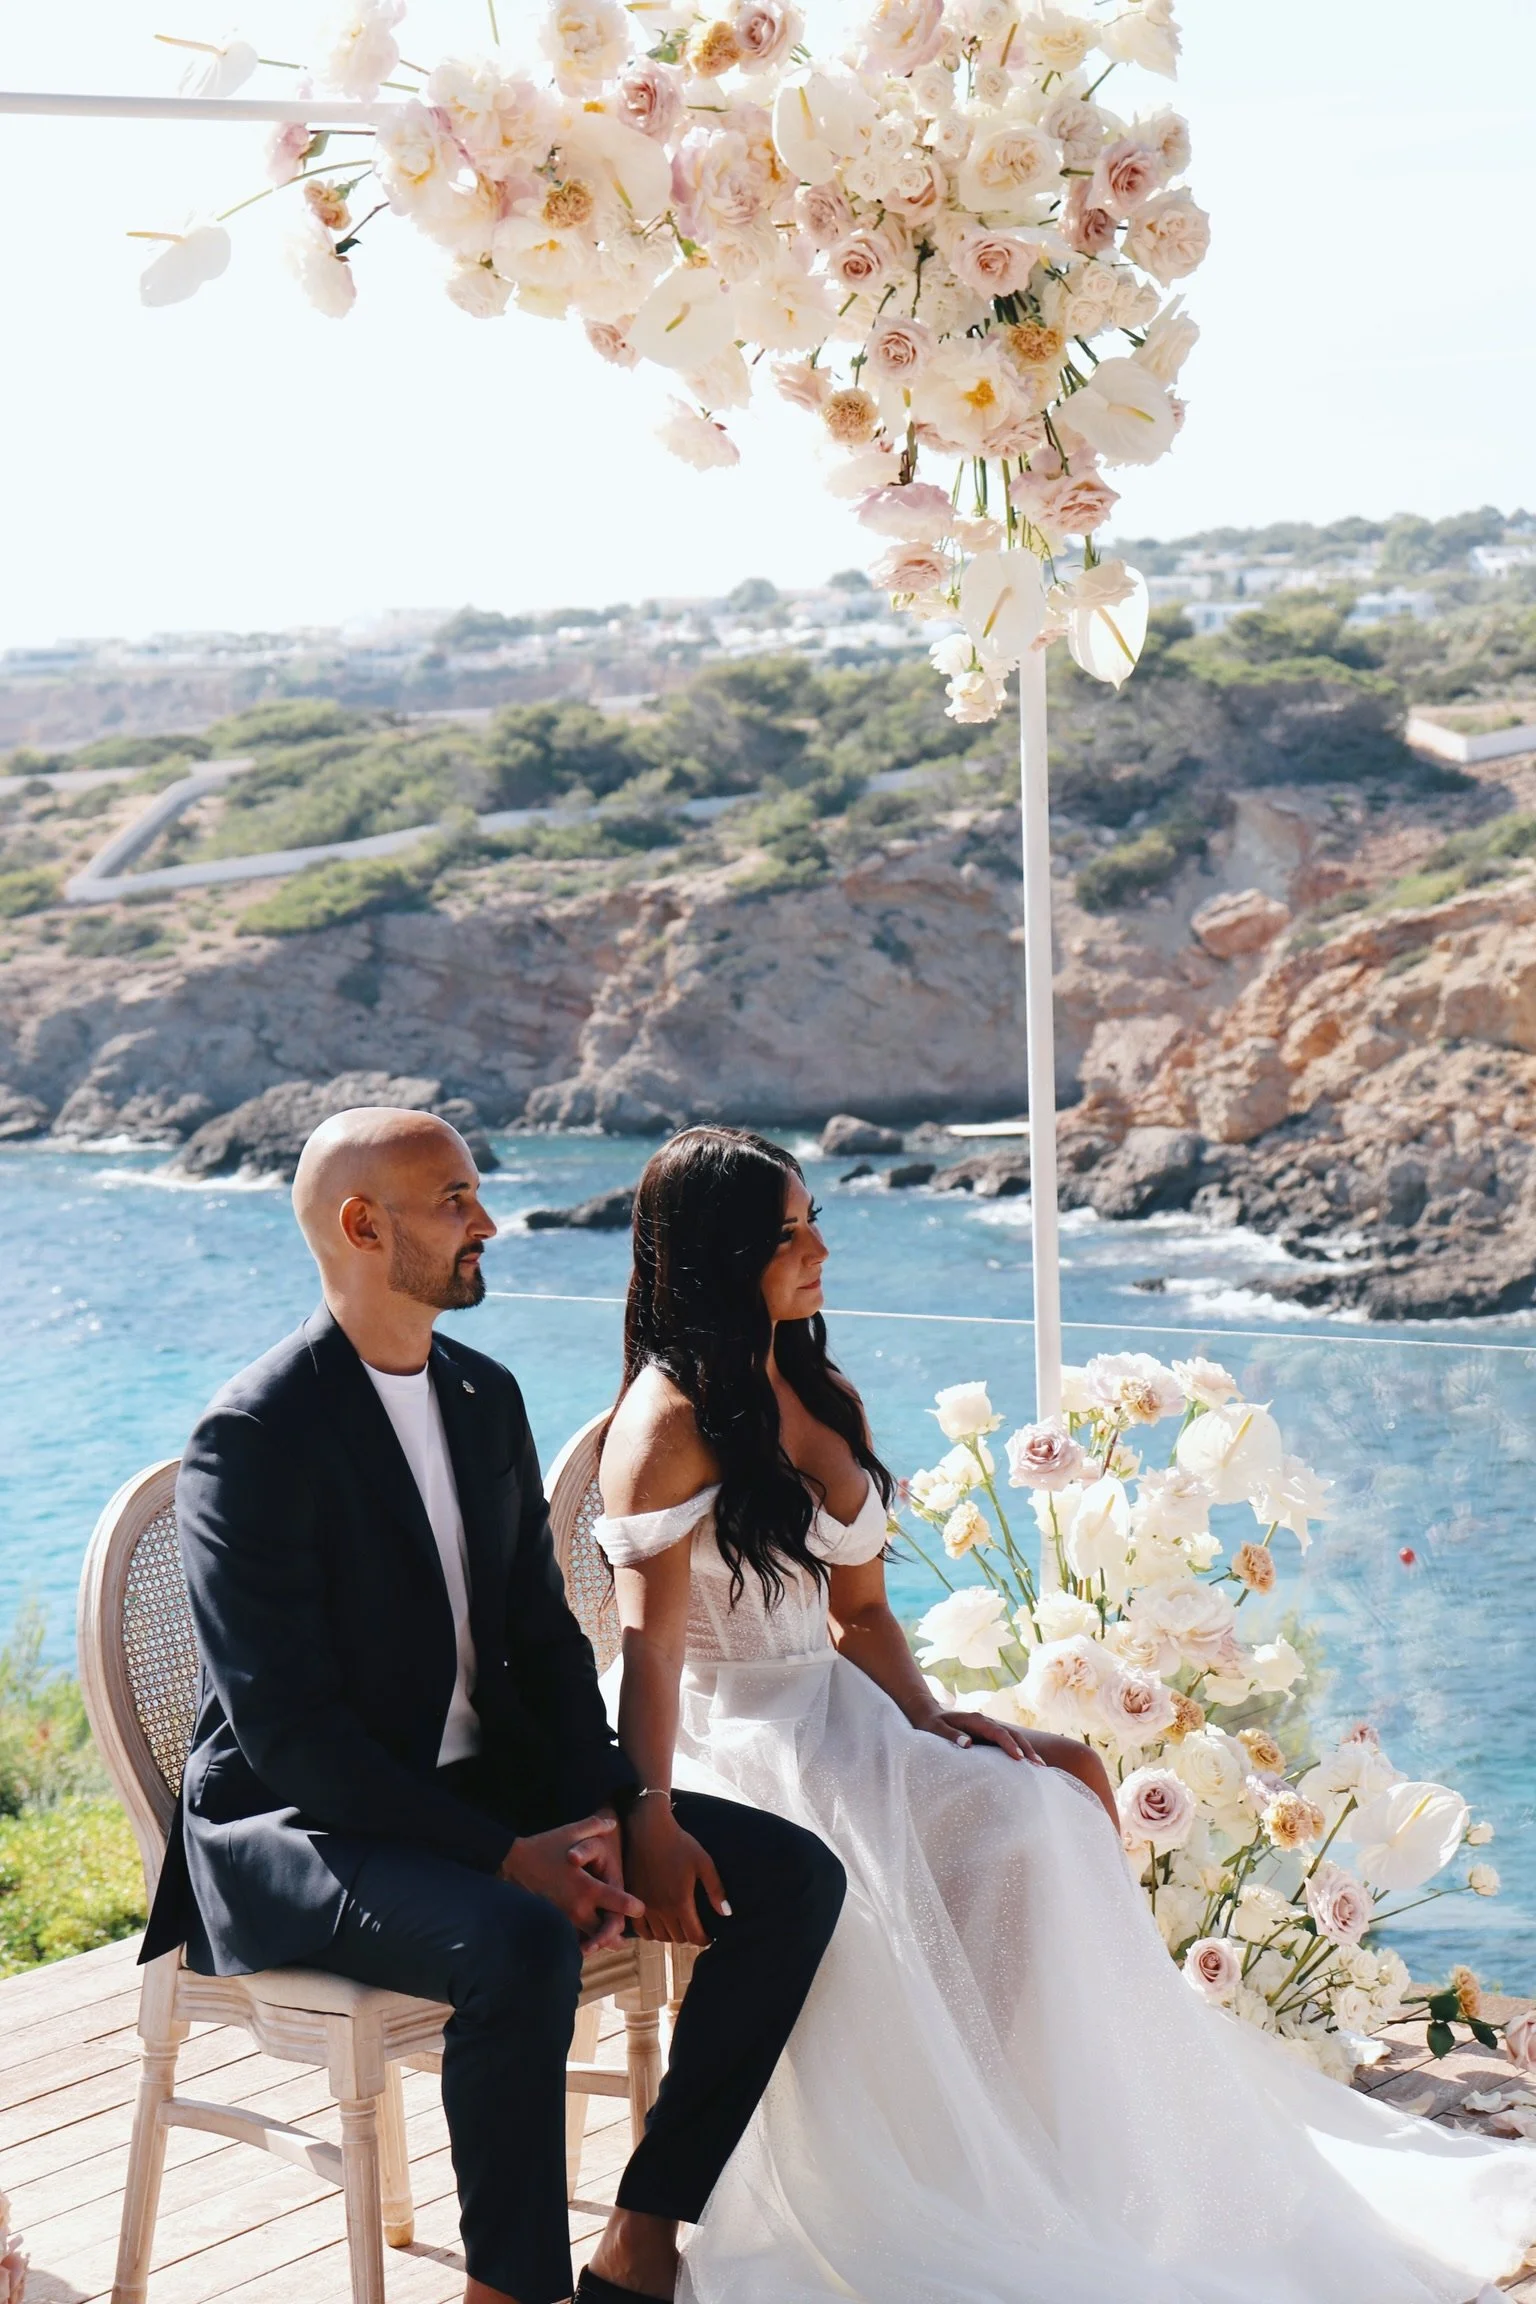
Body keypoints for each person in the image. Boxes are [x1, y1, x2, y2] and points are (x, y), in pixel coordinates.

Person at [595, 1124, 1536, 2304]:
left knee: (1041, 1807)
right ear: (723, 1255)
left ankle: (1036, 2147)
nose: (821, 1247)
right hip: (732, 1733)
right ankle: (952, 2163)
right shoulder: (668, 1419)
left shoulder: (808, 1381)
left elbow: (865, 1616)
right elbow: (651, 1643)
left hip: (847, 1708)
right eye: (791, 1234)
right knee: (917, 1865)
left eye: (814, 1218)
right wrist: (652, 1809)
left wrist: (943, 1721)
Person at [143, 1106, 846, 2304]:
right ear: (364, 1227)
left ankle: (642, 2239)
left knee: (792, 1881)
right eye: (455, 1201)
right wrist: (506, 1858)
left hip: (485, 1791)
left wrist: (623, 1803)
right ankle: (511, 2289)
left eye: (476, 1192)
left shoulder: (481, 1393)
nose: (488, 1221)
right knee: (516, 1939)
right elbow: (290, 1733)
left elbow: (541, 1640)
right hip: (300, 1827)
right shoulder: (254, 1435)